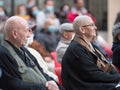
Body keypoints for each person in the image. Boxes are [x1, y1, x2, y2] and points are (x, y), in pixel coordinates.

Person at [0, 16, 64, 90]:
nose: (29, 35)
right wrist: (45, 87)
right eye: (27, 31)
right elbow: (12, 84)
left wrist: (54, 84)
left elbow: (41, 72)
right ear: (15, 33)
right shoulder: (3, 53)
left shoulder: (24, 50)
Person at [61, 15, 120, 90]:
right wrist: (117, 78)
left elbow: (106, 65)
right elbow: (93, 74)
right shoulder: (76, 49)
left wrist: (117, 77)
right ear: (82, 30)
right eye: (92, 25)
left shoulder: (90, 45)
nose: (95, 27)